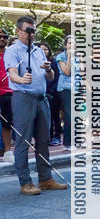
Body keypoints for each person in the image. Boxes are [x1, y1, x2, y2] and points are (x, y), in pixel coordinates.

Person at [4, 16, 67, 194]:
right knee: (23, 141)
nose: (32, 34)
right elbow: (12, 74)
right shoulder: (13, 51)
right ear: (18, 31)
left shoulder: (38, 51)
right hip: (23, 98)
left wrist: (48, 69)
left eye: (34, 31)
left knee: (43, 140)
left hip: (42, 98)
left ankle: (45, 178)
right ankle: (25, 182)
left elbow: (51, 77)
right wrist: (21, 79)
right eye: (28, 31)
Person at [38, 41, 61, 146]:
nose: (43, 51)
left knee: (54, 115)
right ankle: (48, 136)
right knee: (44, 117)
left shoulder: (53, 61)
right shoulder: (36, 61)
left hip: (52, 93)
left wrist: (52, 89)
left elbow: (56, 76)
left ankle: (56, 136)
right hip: (40, 92)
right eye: (41, 49)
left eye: (45, 49)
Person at [55, 36, 75, 148]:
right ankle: (67, 143)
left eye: (73, 43)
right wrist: (69, 57)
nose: (71, 45)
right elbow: (67, 72)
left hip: (76, 88)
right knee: (69, 115)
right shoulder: (61, 56)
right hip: (65, 88)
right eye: (69, 43)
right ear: (65, 45)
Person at [0, 27, 14, 163]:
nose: (2, 39)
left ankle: (8, 151)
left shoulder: (10, 53)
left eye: (5, 37)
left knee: (7, 124)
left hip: (8, 93)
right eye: (0, 37)